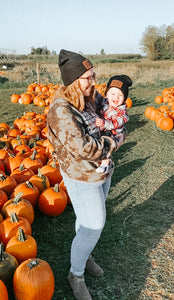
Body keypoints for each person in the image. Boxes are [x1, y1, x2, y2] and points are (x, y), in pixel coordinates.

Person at [46, 49, 125, 300]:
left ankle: (85, 255)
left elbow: (111, 110)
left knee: (86, 219)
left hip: (103, 170)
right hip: (81, 175)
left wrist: (117, 122)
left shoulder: (91, 95)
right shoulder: (61, 109)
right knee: (94, 224)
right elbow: (83, 148)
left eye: (93, 76)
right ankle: (76, 274)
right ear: (72, 80)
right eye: (88, 77)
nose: (93, 82)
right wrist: (113, 142)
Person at [95, 75, 132, 173]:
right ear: (107, 94)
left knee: (106, 146)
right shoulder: (104, 102)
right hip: (104, 130)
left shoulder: (122, 113)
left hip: (114, 134)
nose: (116, 97)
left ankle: (105, 165)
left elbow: (115, 123)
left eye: (120, 95)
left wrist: (104, 123)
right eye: (113, 94)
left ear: (124, 98)